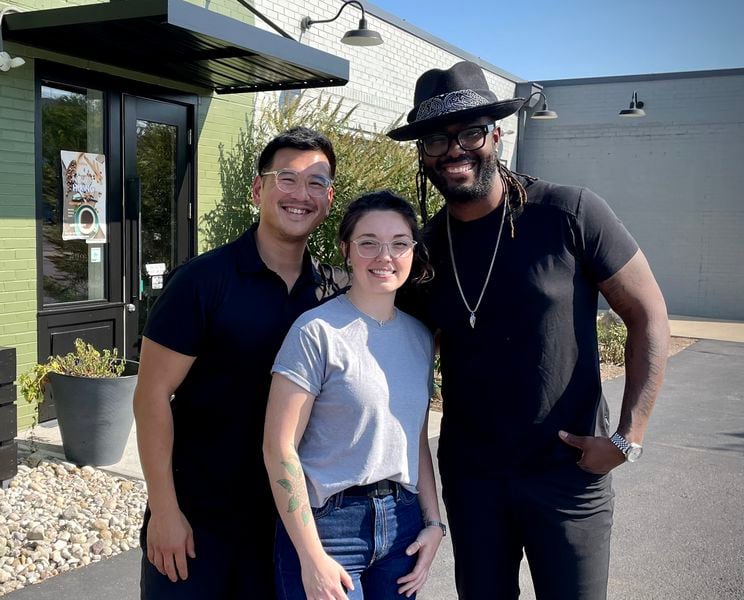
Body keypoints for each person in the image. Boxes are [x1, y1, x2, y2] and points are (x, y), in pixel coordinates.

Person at [387, 61, 670, 600]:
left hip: (568, 476)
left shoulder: (569, 212)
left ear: (496, 133)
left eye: (470, 131)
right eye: (436, 139)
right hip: (474, 481)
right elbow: (399, 350)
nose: (454, 150)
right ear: (422, 154)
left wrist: (627, 438)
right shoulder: (420, 251)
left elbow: (649, 314)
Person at [134, 127, 344, 599]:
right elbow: (151, 396)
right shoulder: (202, 282)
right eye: (286, 178)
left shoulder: (333, 295)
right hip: (197, 519)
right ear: (258, 189)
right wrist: (165, 510)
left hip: (285, 523)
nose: (300, 194)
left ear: (328, 199)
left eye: (316, 183)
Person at [264, 191, 444, 600]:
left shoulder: (419, 337)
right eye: (368, 243)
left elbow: (413, 438)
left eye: (399, 243)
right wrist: (310, 556)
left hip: (402, 523)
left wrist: (434, 523)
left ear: (413, 252)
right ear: (347, 250)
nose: (385, 255)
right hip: (329, 526)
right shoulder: (316, 332)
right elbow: (279, 448)